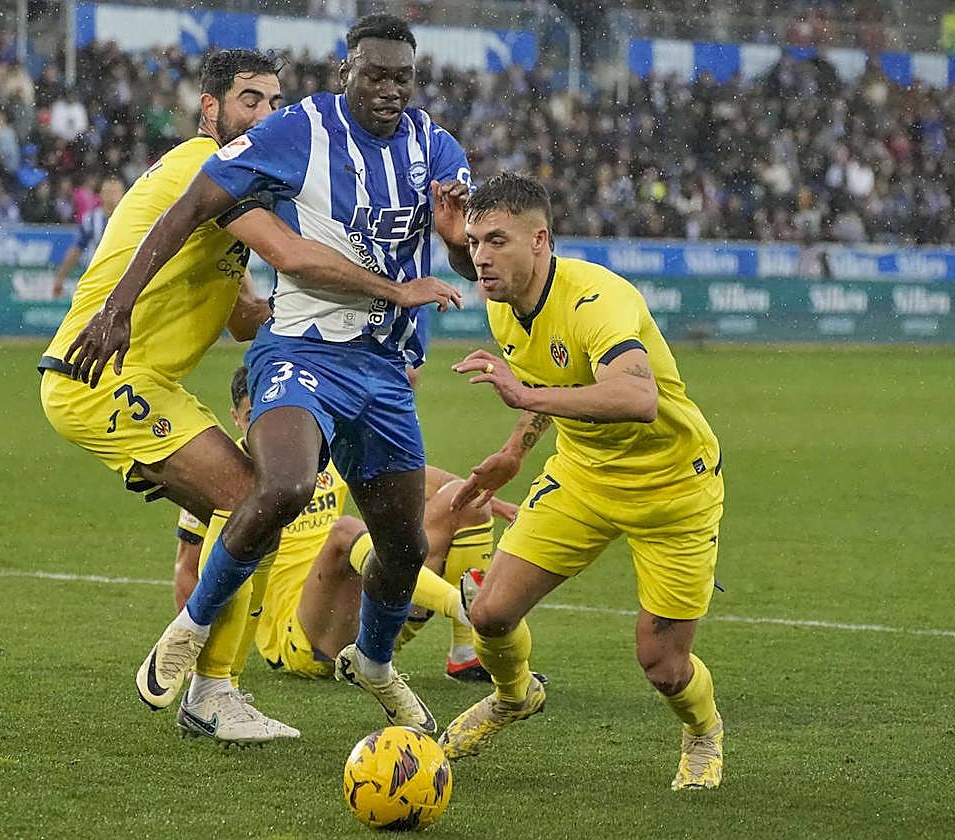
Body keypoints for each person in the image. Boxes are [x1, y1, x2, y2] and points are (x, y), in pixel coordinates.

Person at [63, 14, 476, 736]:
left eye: (401, 78)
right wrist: (116, 307)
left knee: (403, 544)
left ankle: (370, 664)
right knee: (275, 487)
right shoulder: (278, 143)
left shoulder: (431, 146)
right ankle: (197, 654)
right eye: (373, 74)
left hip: (377, 367)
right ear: (345, 72)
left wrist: (453, 246)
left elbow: (245, 306)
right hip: (284, 356)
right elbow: (282, 253)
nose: (388, 90)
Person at [439, 173, 726, 791]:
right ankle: (515, 698)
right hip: (583, 476)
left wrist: (523, 394)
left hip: (672, 487)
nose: (480, 257)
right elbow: (549, 382)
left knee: (663, 665)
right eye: (473, 241)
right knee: (489, 612)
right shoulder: (502, 305)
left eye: (496, 241)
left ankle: (702, 732)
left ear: (540, 240)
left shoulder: (598, 299)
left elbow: (637, 395)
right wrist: (515, 449)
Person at [173, 367, 516, 689]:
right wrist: (192, 657)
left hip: (362, 617)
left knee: (464, 498)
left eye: (271, 412)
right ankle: (467, 608)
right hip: (300, 638)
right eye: (252, 416)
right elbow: (188, 570)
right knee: (344, 532)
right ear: (235, 418)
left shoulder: (317, 449)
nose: (264, 425)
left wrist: (485, 499)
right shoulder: (222, 476)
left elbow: (428, 481)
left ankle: (467, 654)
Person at [51, 176, 125, 299]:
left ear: (123, 194)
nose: (112, 197)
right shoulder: (91, 219)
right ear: (101, 194)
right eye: (108, 192)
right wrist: (60, 277)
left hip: (121, 279)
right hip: (96, 279)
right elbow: (76, 249)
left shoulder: (129, 218)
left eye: (115, 192)